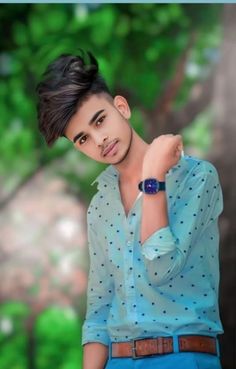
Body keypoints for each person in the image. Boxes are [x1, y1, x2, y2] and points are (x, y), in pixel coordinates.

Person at [36, 50, 224, 369]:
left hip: (184, 356)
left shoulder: (197, 176)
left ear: (121, 107)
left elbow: (161, 266)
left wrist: (152, 178)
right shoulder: (100, 207)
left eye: (100, 120)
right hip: (117, 361)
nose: (100, 140)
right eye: (83, 138)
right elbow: (98, 312)